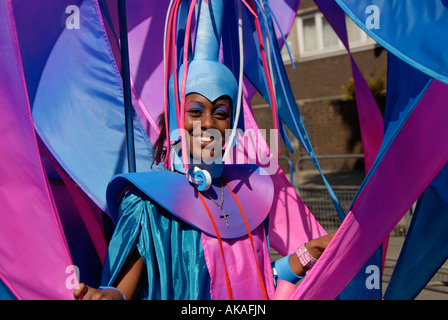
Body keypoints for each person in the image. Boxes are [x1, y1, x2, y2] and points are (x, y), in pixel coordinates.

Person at [73, 0, 334, 300]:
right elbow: (122, 291)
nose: (208, 123)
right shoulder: (148, 204)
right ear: (175, 115)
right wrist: (110, 297)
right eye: (195, 111)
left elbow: (257, 282)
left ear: (232, 123)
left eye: (221, 113)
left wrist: (308, 253)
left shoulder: (250, 193)